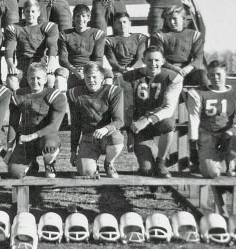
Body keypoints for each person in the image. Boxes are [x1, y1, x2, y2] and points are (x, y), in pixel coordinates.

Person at [122, 46, 183, 178]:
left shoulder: (173, 77)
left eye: (157, 60)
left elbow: (168, 108)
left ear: (163, 61)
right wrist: (130, 133)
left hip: (158, 121)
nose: (153, 64)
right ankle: (158, 162)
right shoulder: (129, 77)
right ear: (143, 60)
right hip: (138, 126)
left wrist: (147, 119)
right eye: (149, 60)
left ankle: (161, 161)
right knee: (147, 170)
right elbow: (127, 108)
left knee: (168, 124)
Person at [186, 60, 236, 178]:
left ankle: (229, 159)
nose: (215, 77)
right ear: (208, 76)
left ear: (226, 74)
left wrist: (229, 132)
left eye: (218, 74)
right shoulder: (199, 93)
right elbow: (193, 118)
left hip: (227, 135)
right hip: (206, 135)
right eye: (211, 74)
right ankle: (221, 163)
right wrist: (192, 143)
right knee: (211, 173)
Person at [7, 62, 67, 179]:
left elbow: (54, 126)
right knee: (15, 172)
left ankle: (49, 163)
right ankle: (32, 164)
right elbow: (12, 124)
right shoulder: (18, 95)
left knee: (50, 145)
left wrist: (30, 136)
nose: (35, 81)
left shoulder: (55, 95)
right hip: (25, 138)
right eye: (32, 78)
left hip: (46, 137)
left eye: (38, 78)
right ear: (27, 79)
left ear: (45, 79)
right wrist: (9, 148)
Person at [68, 62, 124, 178]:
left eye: (94, 77)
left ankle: (109, 163)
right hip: (89, 137)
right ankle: (93, 166)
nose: (91, 80)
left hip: (108, 135)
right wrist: (73, 150)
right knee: (85, 172)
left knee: (117, 138)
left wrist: (105, 129)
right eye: (88, 77)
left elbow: (119, 121)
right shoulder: (75, 93)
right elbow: (75, 124)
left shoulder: (113, 91)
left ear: (102, 78)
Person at [105, 12, 148, 143]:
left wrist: (133, 68)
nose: (122, 25)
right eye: (119, 22)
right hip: (120, 72)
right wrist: (124, 69)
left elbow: (141, 57)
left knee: (143, 86)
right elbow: (112, 61)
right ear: (114, 25)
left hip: (136, 69)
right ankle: (126, 126)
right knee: (121, 84)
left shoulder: (140, 38)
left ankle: (141, 121)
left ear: (130, 23)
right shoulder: (109, 40)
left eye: (124, 22)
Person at [4, 0, 59, 90]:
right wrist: (11, 65)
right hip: (22, 66)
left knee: (50, 79)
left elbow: (52, 46)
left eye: (33, 11)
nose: (30, 14)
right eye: (27, 11)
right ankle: (18, 103)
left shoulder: (47, 27)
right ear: (23, 13)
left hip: (40, 65)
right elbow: (9, 49)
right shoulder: (15, 28)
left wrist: (50, 64)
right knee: (12, 79)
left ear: (38, 13)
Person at [150, 5, 207, 86]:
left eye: (175, 19)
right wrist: (172, 68)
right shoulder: (160, 35)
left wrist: (189, 68)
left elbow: (199, 59)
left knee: (203, 74)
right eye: (169, 19)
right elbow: (157, 58)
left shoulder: (194, 35)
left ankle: (204, 97)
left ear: (183, 18)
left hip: (186, 70)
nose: (172, 22)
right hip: (166, 69)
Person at [56, 4, 106, 90]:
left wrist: (86, 69)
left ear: (88, 18)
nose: (81, 19)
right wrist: (74, 69)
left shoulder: (97, 34)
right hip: (71, 68)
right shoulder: (65, 34)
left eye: (83, 16)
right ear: (73, 18)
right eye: (78, 16)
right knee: (60, 73)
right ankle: (63, 102)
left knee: (108, 73)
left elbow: (98, 59)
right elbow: (63, 59)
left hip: (90, 68)